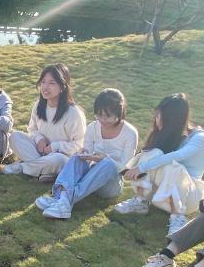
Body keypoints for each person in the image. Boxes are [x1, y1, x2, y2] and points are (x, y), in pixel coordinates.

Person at [35, 88, 138, 219]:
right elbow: (88, 155)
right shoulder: (92, 127)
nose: (103, 120)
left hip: (111, 183)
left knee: (108, 163)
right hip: (90, 175)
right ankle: (62, 200)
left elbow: (125, 167)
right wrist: (85, 155)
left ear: (119, 113)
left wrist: (104, 158)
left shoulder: (130, 133)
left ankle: (62, 198)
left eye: (108, 116)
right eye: (99, 115)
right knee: (78, 157)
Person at [113, 94, 204, 235]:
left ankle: (178, 218)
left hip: (189, 199)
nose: (156, 120)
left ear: (171, 120)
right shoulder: (170, 134)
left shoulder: (199, 137)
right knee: (154, 153)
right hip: (161, 197)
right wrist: (130, 169)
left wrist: (141, 168)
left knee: (174, 167)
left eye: (159, 117)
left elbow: (179, 155)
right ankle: (141, 201)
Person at [3, 63, 86, 181]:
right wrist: (39, 139)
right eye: (43, 82)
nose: (45, 87)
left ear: (63, 87)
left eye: (51, 83)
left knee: (58, 160)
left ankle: (23, 167)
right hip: (39, 152)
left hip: (62, 157)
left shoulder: (74, 113)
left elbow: (80, 145)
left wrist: (55, 147)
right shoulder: (38, 105)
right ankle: (45, 171)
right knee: (15, 137)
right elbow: (32, 129)